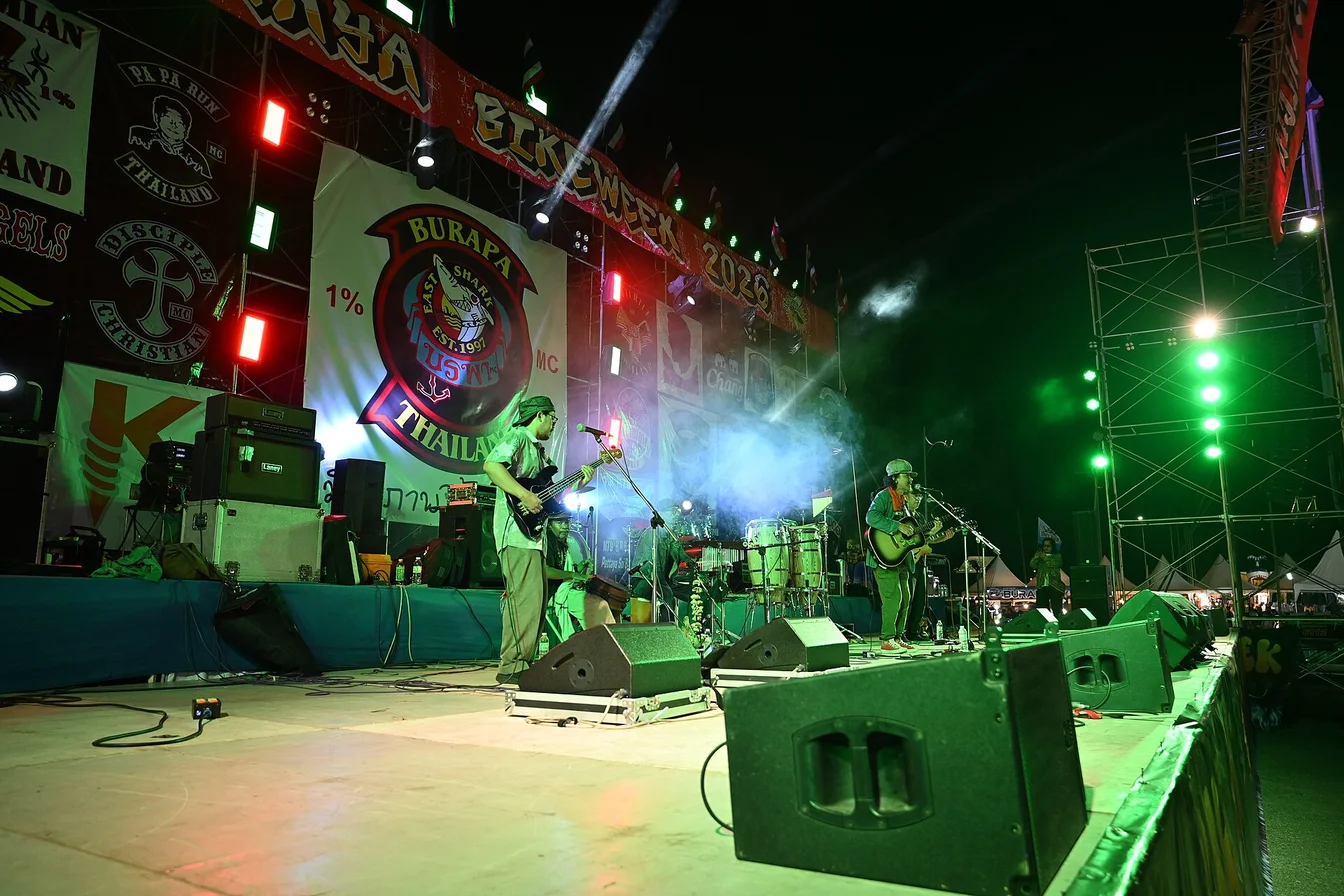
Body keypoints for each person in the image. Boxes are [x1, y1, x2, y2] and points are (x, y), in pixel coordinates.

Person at [482, 395, 594, 686]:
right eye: (552, 419)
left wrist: (579, 483)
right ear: (540, 415)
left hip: (532, 536)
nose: (553, 425)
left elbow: (551, 497)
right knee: (524, 601)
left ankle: (523, 663)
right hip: (515, 532)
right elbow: (492, 467)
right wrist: (524, 495)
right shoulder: (518, 436)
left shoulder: (541, 453)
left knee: (535, 602)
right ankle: (512, 666)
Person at [865, 459, 941, 652]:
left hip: (901, 559)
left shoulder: (904, 502)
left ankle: (898, 637)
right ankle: (887, 638)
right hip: (884, 558)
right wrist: (897, 526)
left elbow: (910, 534)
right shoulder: (884, 496)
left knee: (906, 599)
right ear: (894, 478)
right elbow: (871, 517)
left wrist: (928, 533)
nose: (909, 480)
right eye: (906, 476)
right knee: (893, 599)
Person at [543, 514, 615, 640]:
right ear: (549, 525)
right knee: (598, 605)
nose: (565, 527)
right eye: (560, 523)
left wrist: (580, 568)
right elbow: (546, 571)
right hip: (554, 594)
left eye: (566, 523)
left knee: (601, 602)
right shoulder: (547, 542)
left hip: (566, 591)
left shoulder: (561, 543)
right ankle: (602, 641)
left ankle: (602, 640)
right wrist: (574, 575)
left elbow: (562, 570)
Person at [1030, 538, 1066, 618]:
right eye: (1044, 546)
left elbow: (1056, 565)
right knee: (1042, 609)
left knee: (1057, 608)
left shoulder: (1057, 556)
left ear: (1052, 547)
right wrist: (1037, 557)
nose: (1045, 548)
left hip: (1054, 586)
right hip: (1042, 586)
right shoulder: (1040, 556)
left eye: (1048, 546)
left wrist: (1045, 558)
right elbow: (1032, 565)